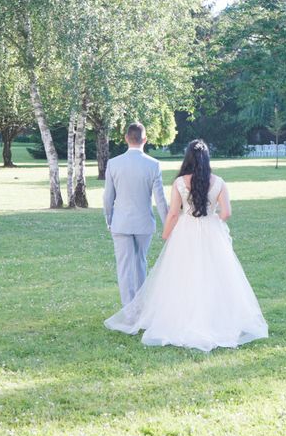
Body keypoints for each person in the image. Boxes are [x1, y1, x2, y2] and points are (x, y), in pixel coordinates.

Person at [105, 139, 268, 352]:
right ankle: (214, 318)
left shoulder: (181, 182)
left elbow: (173, 212)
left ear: (188, 158)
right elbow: (227, 213)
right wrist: (213, 219)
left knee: (182, 274)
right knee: (215, 274)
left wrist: (166, 234)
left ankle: (181, 317)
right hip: (211, 232)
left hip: (186, 231)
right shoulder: (219, 182)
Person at [103, 122, 169, 306]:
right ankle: (141, 308)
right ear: (145, 140)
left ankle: (129, 312)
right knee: (140, 264)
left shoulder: (113, 164)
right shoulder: (153, 165)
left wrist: (109, 219)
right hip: (143, 223)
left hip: (121, 223)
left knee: (124, 268)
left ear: (126, 138)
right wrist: (168, 224)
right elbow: (160, 200)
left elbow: (108, 197)